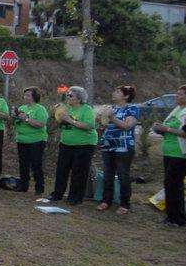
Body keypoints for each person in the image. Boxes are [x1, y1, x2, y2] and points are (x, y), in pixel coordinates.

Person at [151, 84, 186, 228]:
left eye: (180, 94)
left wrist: (166, 128)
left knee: (174, 184)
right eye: (177, 93)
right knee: (169, 184)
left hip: (182, 153)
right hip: (170, 151)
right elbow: (171, 127)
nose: (177, 96)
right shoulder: (178, 109)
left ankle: (178, 218)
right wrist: (161, 129)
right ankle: (171, 215)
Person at [50, 86, 97, 205]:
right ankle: (57, 193)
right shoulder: (66, 108)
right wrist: (55, 113)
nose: (68, 97)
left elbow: (89, 126)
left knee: (79, 171)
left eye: (71, 95)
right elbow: (59, 123)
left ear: (79, 99)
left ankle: (75, 197)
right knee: (62, 169)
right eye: (67, 95)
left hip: (84, 145)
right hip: (66, 143)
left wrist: (71, 120)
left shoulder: (86, 109)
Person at [98, 85, 140, 214]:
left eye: (117, 92)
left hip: (124, 146)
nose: (114, 93)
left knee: (123, 175)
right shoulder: (112, 109)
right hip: (108, 145)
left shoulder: (132, 108)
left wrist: (112, 118)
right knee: (107, 174)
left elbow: (127, 126)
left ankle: (124, 204)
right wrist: (100, 122)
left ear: (126, 96)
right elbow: (105, 125)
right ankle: (106, 200)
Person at [14, 87, 49, 194]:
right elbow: (16, 123)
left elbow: (41, 124)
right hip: (22, 140)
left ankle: (39, 188)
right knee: (23, 164)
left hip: (36, 141)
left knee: (36, 164)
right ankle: (23, 186)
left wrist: (27, 119)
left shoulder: (40, 109)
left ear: (34, 96)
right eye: (25, 95)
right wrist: (14, 117)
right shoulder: (22, 108)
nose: (26, 97)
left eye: (28, 95)